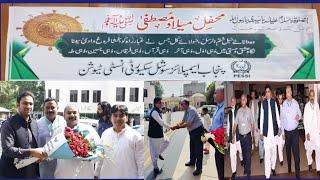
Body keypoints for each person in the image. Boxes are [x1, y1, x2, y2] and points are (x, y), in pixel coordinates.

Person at [0, 91, 47, 178]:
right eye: (25, 103)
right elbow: (7, 150)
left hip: (32, 174)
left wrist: (39, 156)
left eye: (31, 104)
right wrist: (31, 152)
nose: (28, 106)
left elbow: (34, 146)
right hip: (11, 175)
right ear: (18, 105)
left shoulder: (34, 123)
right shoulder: (8, 124)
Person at [94, 105, 144, 179]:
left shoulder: (135, 136)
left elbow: (141, 162)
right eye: (115, 115)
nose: (118, 118)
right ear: (111, 117)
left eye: (121, 116)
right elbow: (101, 157)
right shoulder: (105, 134)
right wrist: (96, 174)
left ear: (126, 118)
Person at [54, 104, 100, 178]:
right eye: (69, 113)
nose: (72, 115)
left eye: (75, 112)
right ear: (64, 116)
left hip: (85, 174)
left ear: (79, 114)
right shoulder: (58, 132)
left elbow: (99, 150)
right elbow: (51, 152)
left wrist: (90, 156)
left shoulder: (89, 130)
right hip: (64, 174)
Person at [171, 99, 204, 176]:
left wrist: (178, 127)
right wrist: (177, 125)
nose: (181, 106)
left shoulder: (192, 110)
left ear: (186, 104)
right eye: (181, 104)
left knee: (198, 150)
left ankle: (199, 169)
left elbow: (188, 123)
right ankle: (192, 162)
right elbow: (183, 120)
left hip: (197, 130)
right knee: (192, 147)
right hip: (192, 131)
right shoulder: (186, 110)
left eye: (182, 104)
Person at [37, 98, 66, 178]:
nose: (50, 110)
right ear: (43, 109)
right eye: (47, 107)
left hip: (61, 163)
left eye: (52, 107)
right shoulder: (37, 124)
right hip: (44, 164)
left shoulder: (64, 122)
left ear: (57, 108)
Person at [259, 85, 281, 178]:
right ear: (265, 93)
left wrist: (279, 127)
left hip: (274, 132)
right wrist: (261, 132)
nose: (267, 93)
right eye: (266, 92)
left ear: (271, 93)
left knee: (274, 152)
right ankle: (267, 175)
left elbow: (277, 115)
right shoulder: (263, 103)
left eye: (269, 91)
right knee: (267, 153)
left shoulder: (274, 102)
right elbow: (261, 118)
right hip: (266, 134)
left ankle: (273, 168)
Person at [281, 85, 302, 178]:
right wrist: (282, 132)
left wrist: (299, 117)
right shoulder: (284, 104)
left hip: (294, 132)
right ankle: (289, 167)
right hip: (287, 132)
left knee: (296, 152)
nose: (287, 94)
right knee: (288, 152)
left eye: (288, 92)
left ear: (291, 93)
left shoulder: (296, 103)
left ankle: (298, 172)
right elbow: (281, 119)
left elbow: (300, 114)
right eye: (286, 92)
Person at [232, 94, 254, 178]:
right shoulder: (239, 111)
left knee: (248, 155)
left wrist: (253, 138)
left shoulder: (249, 111)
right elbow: (235, 124)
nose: (242, 101)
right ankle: (245, 168)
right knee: (244, 154)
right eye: (241, 100)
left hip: (248, 136)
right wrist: (233, 135)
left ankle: (248, 172)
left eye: (244, 99)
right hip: (241, 137)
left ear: (246, 101)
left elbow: (252, 124)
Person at [148, 97, 170, 175]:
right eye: (160, 102)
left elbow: (161, 122)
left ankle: (159, 153)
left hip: (159, 133)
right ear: (156, 103)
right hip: (154, 136)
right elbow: (161, 122)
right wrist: (171, 127)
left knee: (167, 141)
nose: (162, 104)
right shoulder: (154, 112)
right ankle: (155, 167)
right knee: (154, 152)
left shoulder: (158, 111)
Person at [303, 90, 320, 176]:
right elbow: (305, 120)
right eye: (311, 96)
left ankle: (318, 168)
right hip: (309, 133)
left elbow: (319, 118)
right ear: (309, 97)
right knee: (309, 150)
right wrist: (307, 133)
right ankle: (309, 162)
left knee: (318, 150)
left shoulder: (317, 105)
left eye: (313, 96)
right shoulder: (306, 107)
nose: (312, 97)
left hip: (317, 132)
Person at [226, 96, 243, 178]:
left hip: (239, 135)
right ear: (230, 102)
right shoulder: (229, 113)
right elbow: (228, 125)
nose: (233, 102)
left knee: (241, 151)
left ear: (236, 102)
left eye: (234, 101)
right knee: (232, 155)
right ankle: (234, 171)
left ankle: (242, 159)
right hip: (232, 137)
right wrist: (229, 136)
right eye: (231, 101)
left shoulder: (238, 111)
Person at [276, 92, 285, 166]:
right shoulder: (276, 107)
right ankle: (281, 159)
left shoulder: (285, 106)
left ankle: (280, 154)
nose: (280, 100)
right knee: (279, 144)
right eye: (279, 99)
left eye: (281, 99)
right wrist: (278, 129)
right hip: (278, 129)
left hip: (285, 129)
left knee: (282, 144)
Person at [257, 93, 265, 163]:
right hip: (260, 126)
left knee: (266, 142)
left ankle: (266, 155)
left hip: (266, 127)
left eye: (264, 96)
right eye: (262, 96)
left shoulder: (267, 104)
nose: (263, 97)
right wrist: (256, 126)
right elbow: (257, 115)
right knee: (261, 142)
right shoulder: (259, 104)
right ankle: (261, 156)